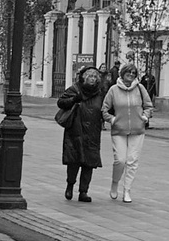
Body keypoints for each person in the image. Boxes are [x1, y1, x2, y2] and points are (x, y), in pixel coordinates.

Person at [104, 64, 152, 202]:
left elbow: (148, 106)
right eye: (128, 72)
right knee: (120, 160)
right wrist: (112, 120)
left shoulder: (140, 88)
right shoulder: (113, 90)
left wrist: (145, 117)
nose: (131, 75)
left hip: (137, 130)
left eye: (133, 73)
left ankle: (127, 190)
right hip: (119, 130)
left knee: (132, 161)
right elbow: (104, 109)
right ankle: (115, 183)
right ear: (122, 73)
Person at [59, 67, 105, 202]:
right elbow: (61, 102)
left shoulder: (100, 93)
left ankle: (83, 191)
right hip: (75, 130)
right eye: (89, 76)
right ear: (83, 77)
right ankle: (70, 185)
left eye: (95, 77)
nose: (92, 79)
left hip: (93, 132)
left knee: (89, 163)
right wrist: (74, 99)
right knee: (73, 160)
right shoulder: (75, 89)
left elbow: (106, 108)